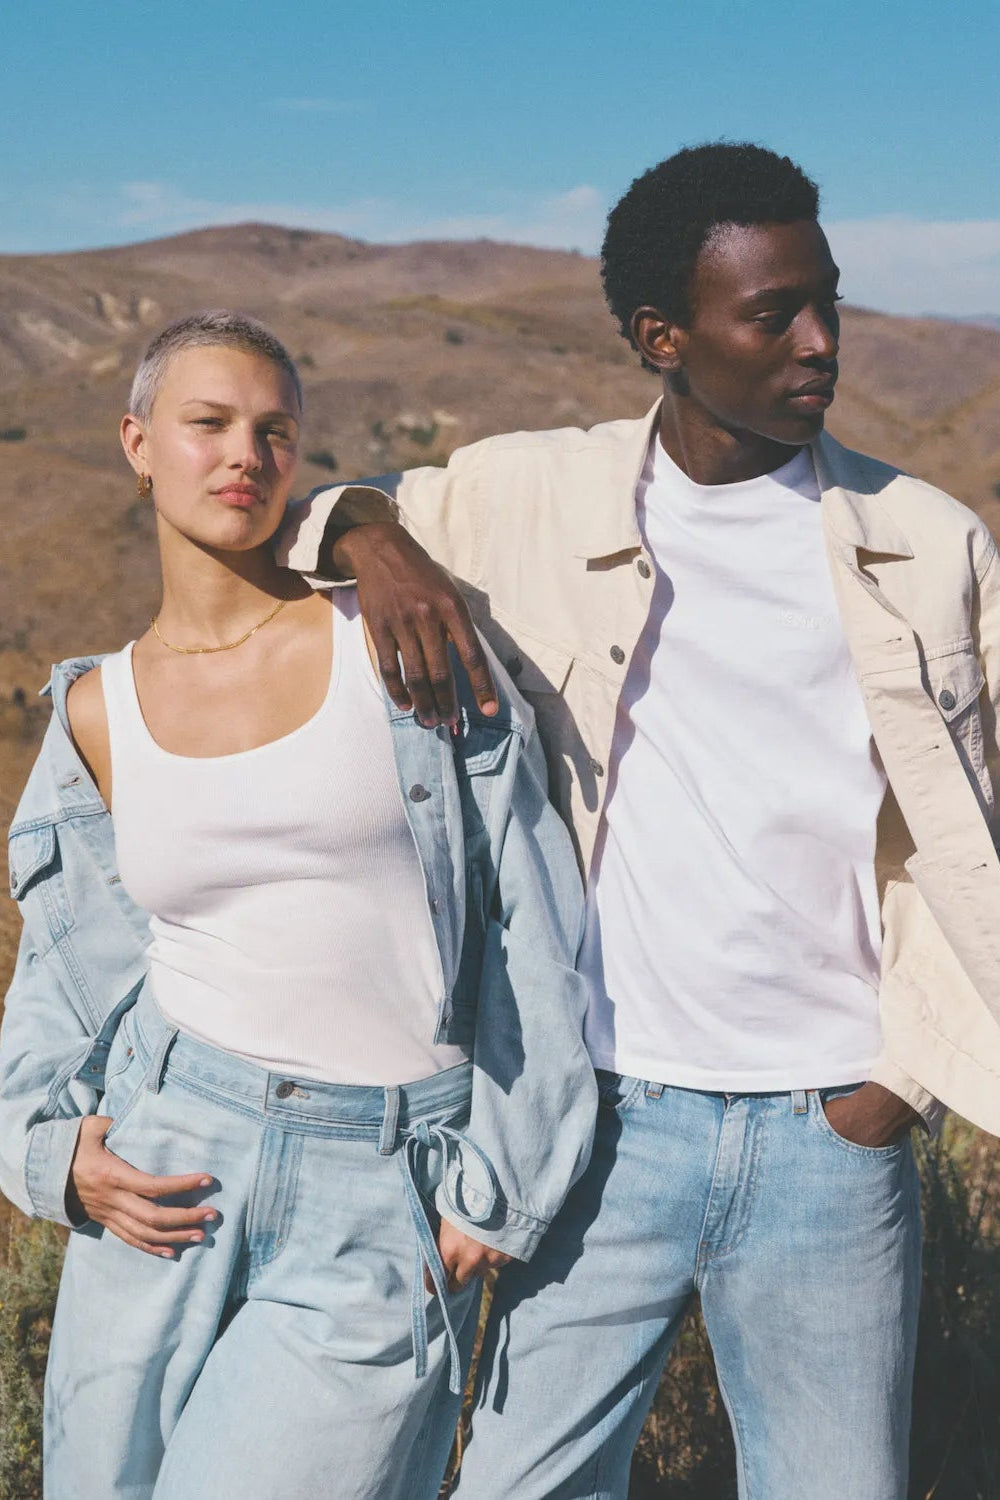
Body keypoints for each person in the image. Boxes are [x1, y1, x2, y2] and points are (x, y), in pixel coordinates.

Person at [280, 143, 1000, 1499]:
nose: (822, 342)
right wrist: (374, 536)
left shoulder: (931, 541)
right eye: (773, 312)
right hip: (599, 1120)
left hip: (830, 1137)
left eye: (827, 301)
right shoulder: (524, 494)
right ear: (661, 339)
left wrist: (897, 1084)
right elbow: (291, 521)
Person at [0, 311, 594, 1499]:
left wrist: (509, 1176)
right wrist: (46, 1151)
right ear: (136, 442)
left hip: (379, 1178)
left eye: (275, 431)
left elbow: (538, 908)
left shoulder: (402, 646)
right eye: (207, 423)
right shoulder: (96, 715)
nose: (245, 456)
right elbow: (62, 972)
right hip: (168, 1167)